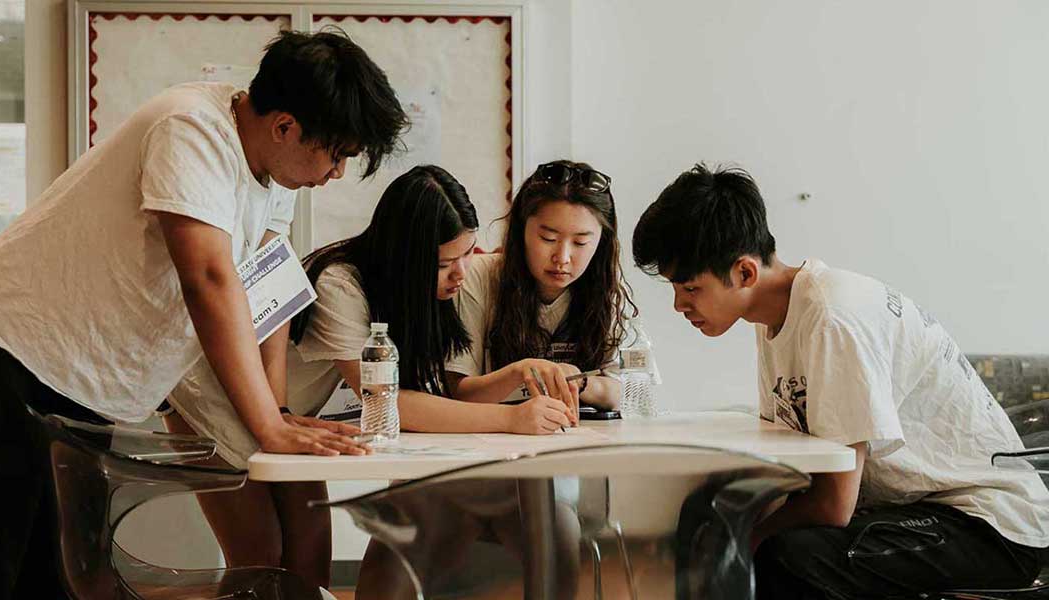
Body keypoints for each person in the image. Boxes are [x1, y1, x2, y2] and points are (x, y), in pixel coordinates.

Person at [0, 30, 406, 599]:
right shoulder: (192, 129)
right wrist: (266, 426)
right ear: (285, 125)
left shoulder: (276, 173)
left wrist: (279, 412)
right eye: (336, 154)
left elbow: (263, 289)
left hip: (74, 388)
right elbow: (209, 280)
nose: (337, 173)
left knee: (57, 579)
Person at [631, 163, 1049, 598]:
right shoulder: (774, 315)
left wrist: (745, 536)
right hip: (915, 508)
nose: (679, 305)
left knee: (782, 556)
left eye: (691, 289)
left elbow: (834, 504)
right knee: (706, 511)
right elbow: (803, 460)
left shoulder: (832, 317)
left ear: (745, 273)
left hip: (988, 525)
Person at [166, 165, 576, 586]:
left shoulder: (422, 293)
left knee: (308, 557)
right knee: (259, 555)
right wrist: (511, 419)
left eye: (467, 255)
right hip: (212, 403)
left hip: (288, 416)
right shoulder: (340, 284)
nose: (461, 273)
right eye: (444, 263)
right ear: (407, 258)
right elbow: (387, 401)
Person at [447, 160, 636, 417]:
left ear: (601, 243)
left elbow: (632, 392)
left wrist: (578, 381)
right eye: (548, 239)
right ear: (521, 230)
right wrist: (519, 372)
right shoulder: (478, 277)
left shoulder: (609, 290)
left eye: (581, 243)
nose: (563, 257)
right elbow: (457, 391)